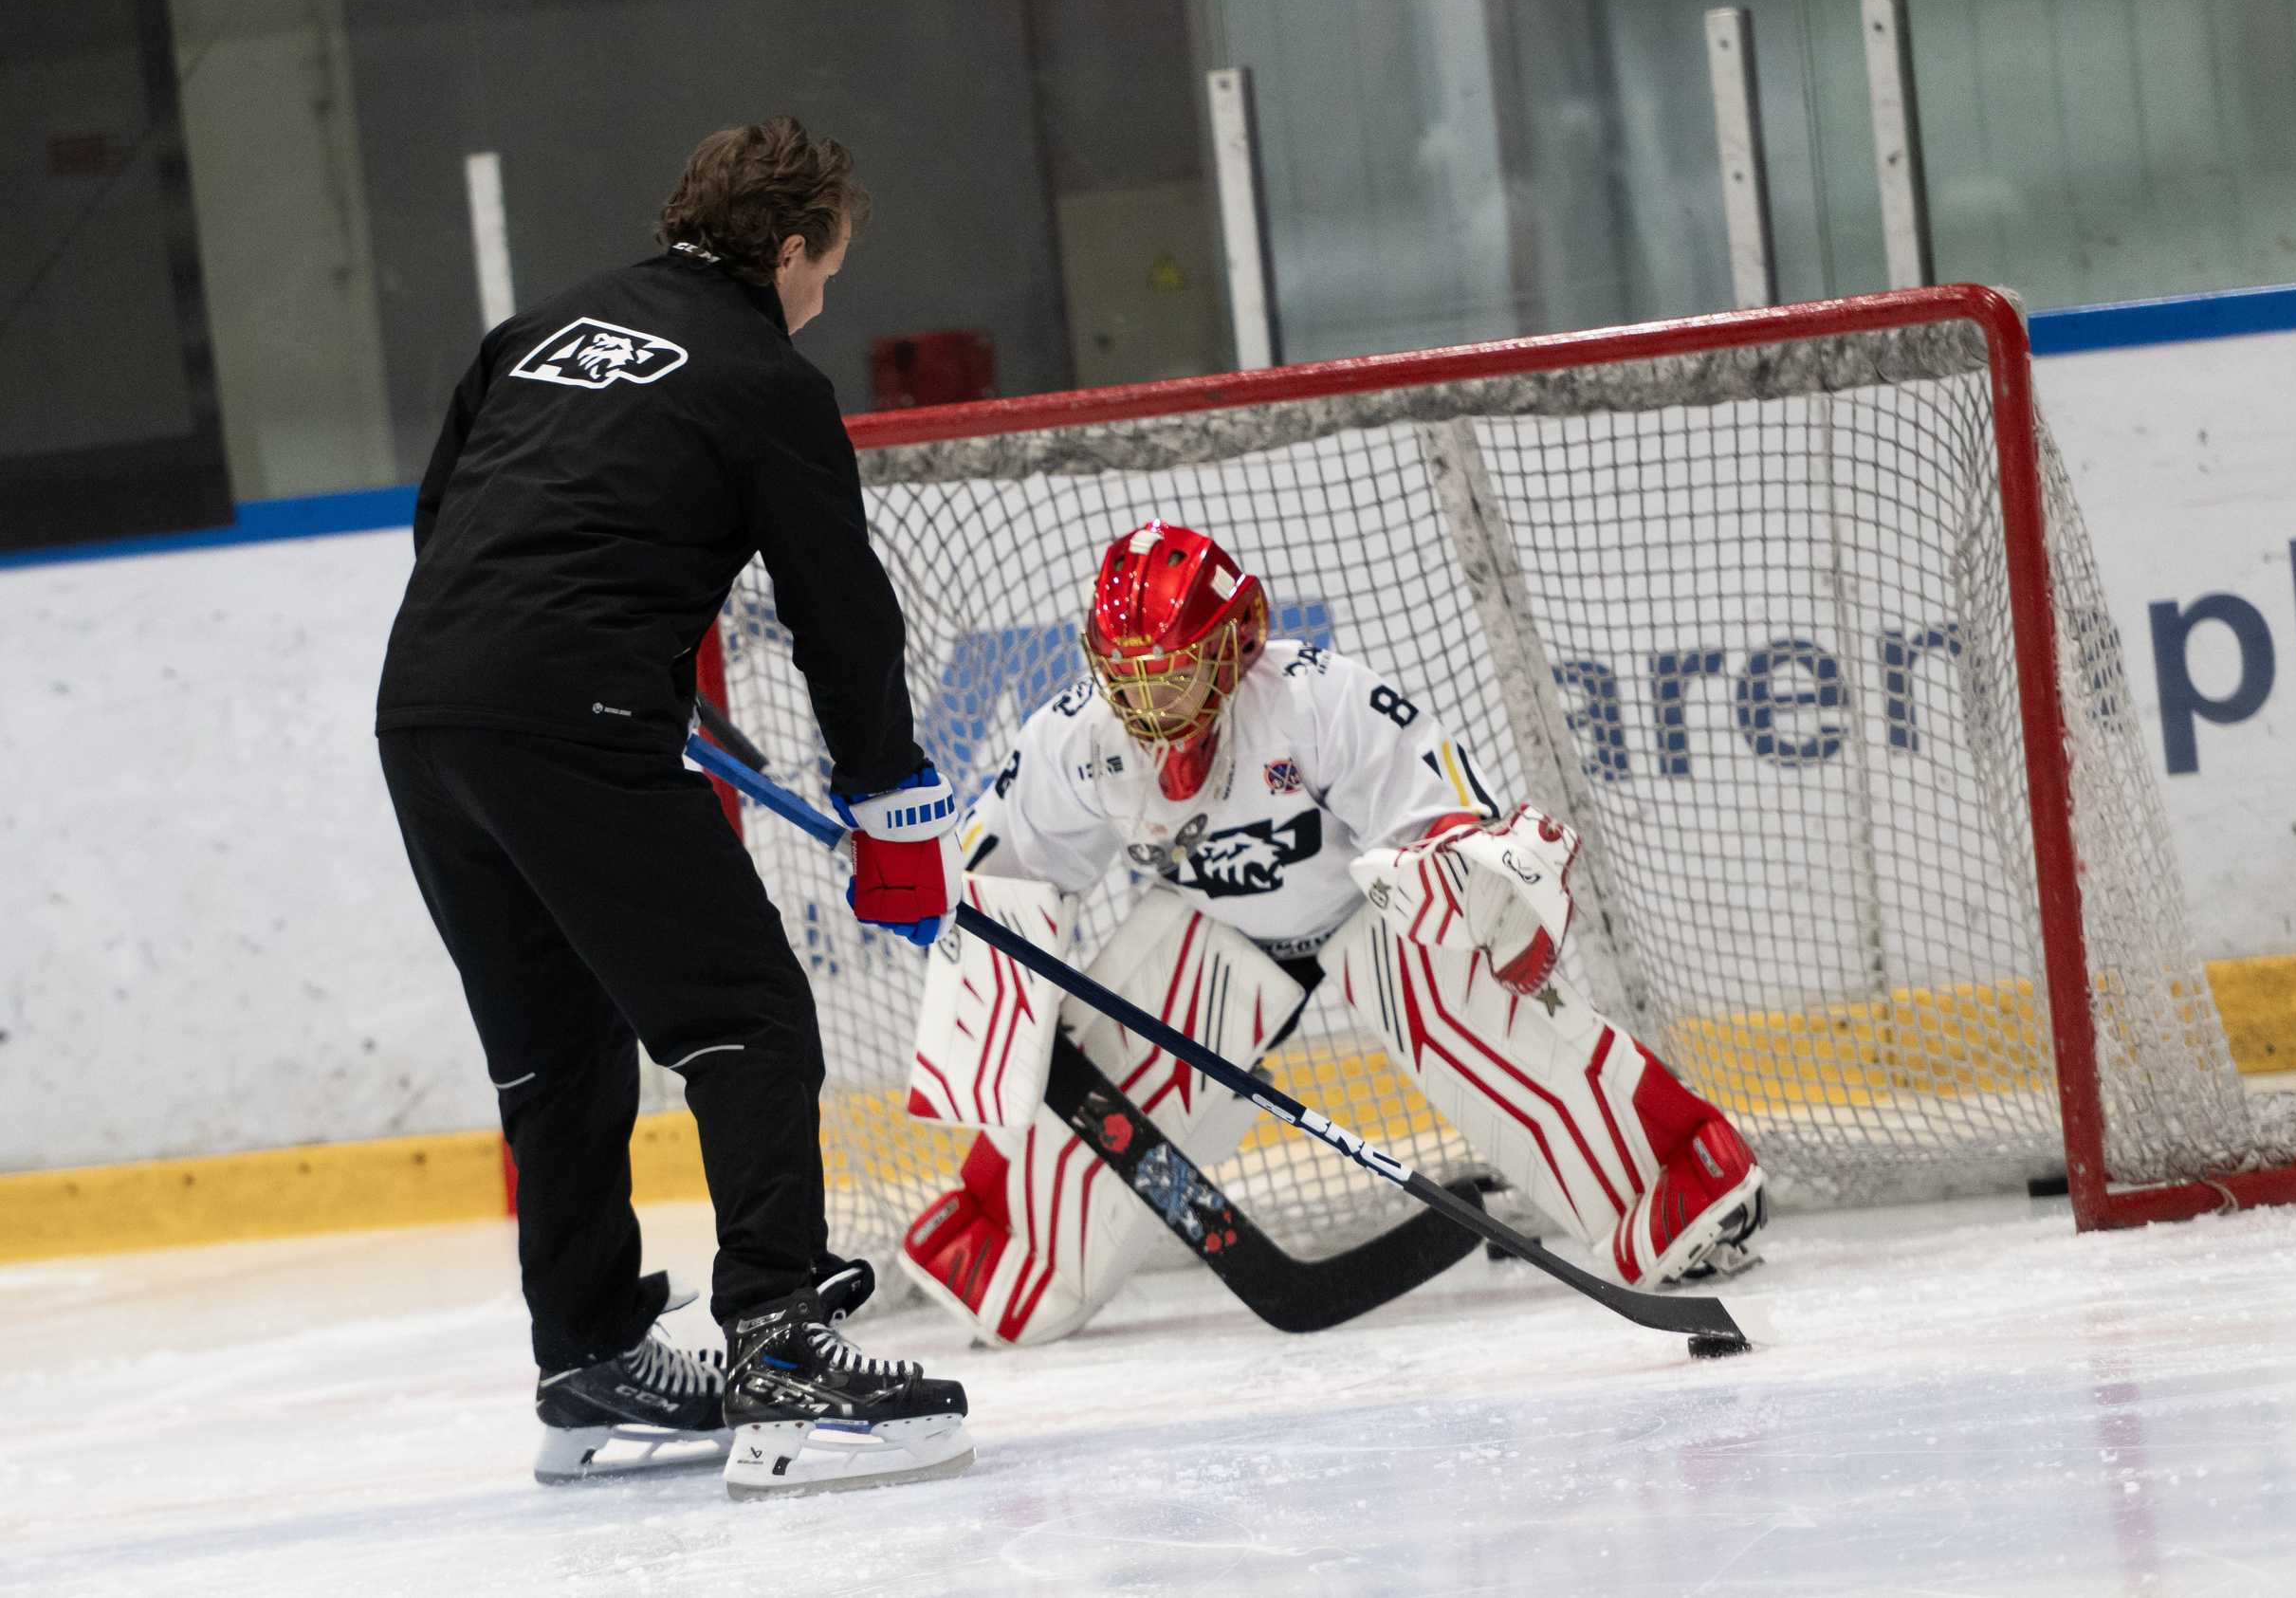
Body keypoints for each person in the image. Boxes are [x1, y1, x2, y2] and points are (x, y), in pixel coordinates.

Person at [376, 117, 969, 1496]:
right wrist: (889, 801)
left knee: (554, 1045)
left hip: (427, 713)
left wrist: (596, 677)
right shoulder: (768, 374)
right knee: (747, 1015)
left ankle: (588, 1354)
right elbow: (842, 613)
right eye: (830, 264)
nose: (828, 292)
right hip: (562, 717)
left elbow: (447, 521)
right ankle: (780, 1349)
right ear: (788, 247)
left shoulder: (536, 328)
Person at [895, 523, 1771, 1347]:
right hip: (1216, 931)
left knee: (1461, 1007)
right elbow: (997, 880)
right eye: (1123, 675)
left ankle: (1679, 1183)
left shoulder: (1317, 697)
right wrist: (992, 974)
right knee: (1113, 1065)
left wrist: (1486, 897)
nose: (1142, 702)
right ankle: (1012, 1242)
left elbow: (1443, 821)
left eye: (1169, 674)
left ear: (1234, 645)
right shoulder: (1074, 739)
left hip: (1365, 914)